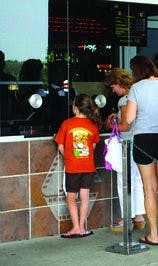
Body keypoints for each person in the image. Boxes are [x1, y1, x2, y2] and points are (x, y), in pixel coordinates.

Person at [125, 55, 158, 245]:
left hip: (143, 140)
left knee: (149, 188)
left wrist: (118, 123)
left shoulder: (136, 88)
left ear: (136, 70)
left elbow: (129, 119)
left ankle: (153, 234)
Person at [104, 68, 146, 232]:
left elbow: (124, 126)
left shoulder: (124, 101)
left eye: (113, 87)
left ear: (120, 84)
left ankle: (126, 218)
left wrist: (110, 124)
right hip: (140, 143)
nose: (113, 91)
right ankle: (140, 217)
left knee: (124, 181)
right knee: (137, 181)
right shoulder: (138, 96)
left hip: (127, 144)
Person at [55, 94, 101, 238]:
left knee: (71, 197)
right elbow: (93, 146)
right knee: (85, 196)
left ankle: (75, 228)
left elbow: (60, 147)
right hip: (88, 166)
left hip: (72, 167)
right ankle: (82, 227)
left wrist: (69, 157)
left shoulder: (67, 124)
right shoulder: (92, 125)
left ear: (75, 107)